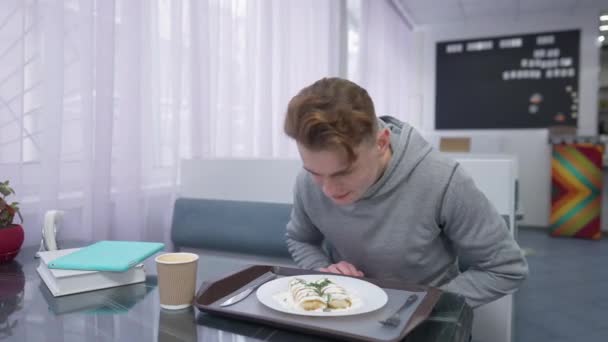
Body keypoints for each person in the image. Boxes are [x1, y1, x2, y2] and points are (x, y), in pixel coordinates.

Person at [283, 77, 528, 308]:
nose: (328, 190)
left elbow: (506, 268)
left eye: (343, 173)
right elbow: (300, 239)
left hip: (425, 317)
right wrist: (324, 273)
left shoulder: (443, 179)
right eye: (315, 172)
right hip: (347, 311)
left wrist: (427, 304)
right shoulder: (307, 181)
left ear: (381, 143)